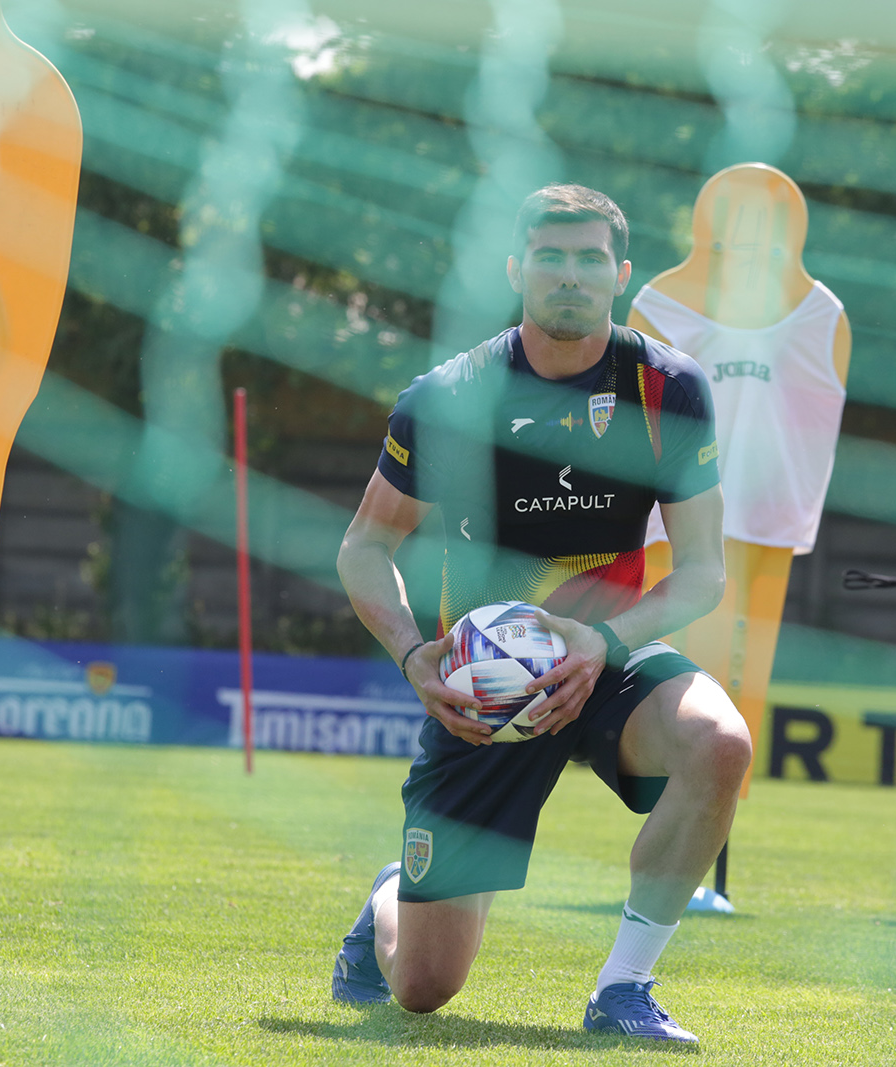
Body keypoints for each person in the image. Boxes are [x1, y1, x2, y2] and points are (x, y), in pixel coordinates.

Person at [330, 184, 753, 1042]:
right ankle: (390, 898)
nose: (571, 274)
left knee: (722, 743)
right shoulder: (449, 397)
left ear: (621, 274)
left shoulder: (668, 388)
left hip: (610, 652)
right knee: (425, 989)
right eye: (550, 256)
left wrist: (602, 641)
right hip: (485, 690)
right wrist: (413, 654)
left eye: (591, 257)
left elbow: (704, 572)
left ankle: (624, 988)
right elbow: (364, 548)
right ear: (516, 269)